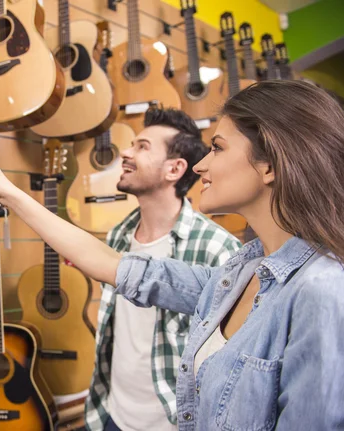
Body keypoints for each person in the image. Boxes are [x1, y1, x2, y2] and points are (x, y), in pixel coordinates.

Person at [0, 80, 344, 430]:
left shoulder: (323, 291)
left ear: (269, 166)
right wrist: (10, 193)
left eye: (217, 148)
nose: (201, 166)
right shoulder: (237, 274)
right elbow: (112, 265)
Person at [84, 109, 241, 431]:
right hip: (110, 413)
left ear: (175, 168)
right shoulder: (117, 236)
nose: (125, 153)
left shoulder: (217, 248)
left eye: (142, 146)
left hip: (172, 420)